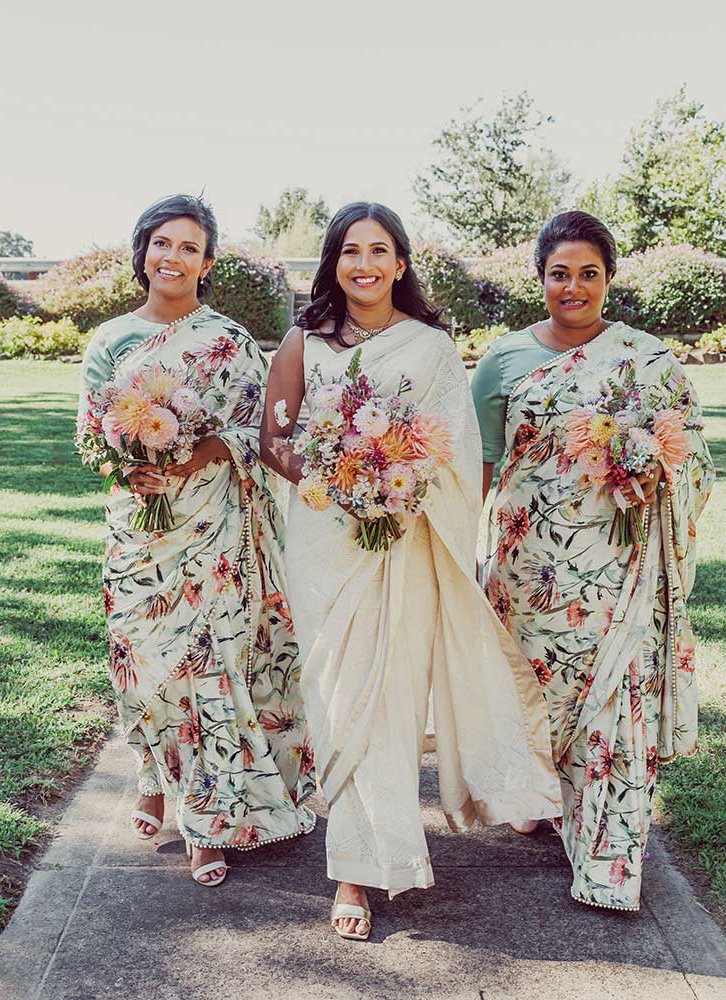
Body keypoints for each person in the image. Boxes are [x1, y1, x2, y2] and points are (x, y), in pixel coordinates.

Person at [259, 201, 562, 941]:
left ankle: (358, 873)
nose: (363, 264)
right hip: (326, 540)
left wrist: (394, 486)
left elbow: (456, 454)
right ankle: (357, 863)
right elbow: (271, 439)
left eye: (379, 250)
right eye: (349, 251)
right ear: (332, 263)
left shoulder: (430, 349)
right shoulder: (304, 342)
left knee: (390, 699)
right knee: (335, 698)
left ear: (400, 263)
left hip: (405, 538)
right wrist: (327, 477)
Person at [472, 210, 715, 911]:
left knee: (612, 696)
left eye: (588, 273)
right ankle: (545, 795)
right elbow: (481, 469)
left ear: (609, 278)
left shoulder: (647, 357)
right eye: (559, 274)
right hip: (529, 567)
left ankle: (608, 860)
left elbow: (693, 448)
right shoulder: (503, 362)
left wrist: (656, 472)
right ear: (539, 279)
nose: (572, 287)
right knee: (539, 692)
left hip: (618, 563)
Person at [77, 194, 315, 887]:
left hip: (215, 528)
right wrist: (125, 463)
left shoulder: (232, 342)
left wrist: (205, 448)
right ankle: (153, 774)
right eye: (161, 243)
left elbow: (263, 434)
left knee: (210, 668)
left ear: (206, 263)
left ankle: (207, 816)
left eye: (188, 247)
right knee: (143, 673)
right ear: (142, 252)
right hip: (140, 534)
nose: (172, 257)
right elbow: (89, 438)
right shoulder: (110, 341)